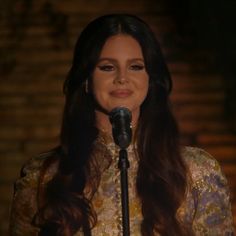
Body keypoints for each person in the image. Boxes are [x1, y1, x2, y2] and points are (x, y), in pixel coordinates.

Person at [9, 14, 234, 236]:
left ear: (150, 77)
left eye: (135, 66)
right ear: (86, 79)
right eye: (107, 67)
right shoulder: (44, 176)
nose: (122, 78)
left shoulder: (197, 172)